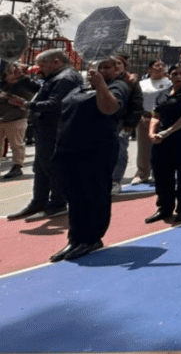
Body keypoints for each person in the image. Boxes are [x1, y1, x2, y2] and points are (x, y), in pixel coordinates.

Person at [49, 57, 131, 262]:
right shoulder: (79, 88)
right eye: (99, 66)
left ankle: (92, 238)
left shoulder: (117, 86)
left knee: (94, 193)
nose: (102, 70)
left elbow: (109, 108)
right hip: (70, 149)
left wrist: (101, 84)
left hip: (97, 150)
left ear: (117, 70)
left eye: (107, 67)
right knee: (74, 195)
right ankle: (75, 238)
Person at [7, 49, 82, 221]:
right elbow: (42, 91)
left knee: (52, 167)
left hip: (55, 128)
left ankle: (57, 203)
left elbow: (55, 104)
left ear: (56, 62)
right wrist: (23, 79)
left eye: (43, 65)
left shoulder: (65, 78)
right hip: (46, 128)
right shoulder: (57, 76)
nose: (40, 69)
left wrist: (27, 105)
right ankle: (39, 202)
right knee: (41, 167)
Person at [145, 63, 181, 224]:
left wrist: (169, 131)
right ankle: (164, 207)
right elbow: (156, 115)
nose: (178, 77)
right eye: (175, 74)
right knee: (162, 174)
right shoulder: (162, 94)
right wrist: (151, 133)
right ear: (169, 76)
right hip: (162, 141)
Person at [131, 60, 171, 186]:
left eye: (162, 65)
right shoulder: (142, 83)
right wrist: (140, 115)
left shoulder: (169, 83)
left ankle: (159, 173)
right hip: (145, 117)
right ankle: (142, 173)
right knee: (143, 148)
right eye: (157, 65)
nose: (160, 67)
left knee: (162, 146)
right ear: (149, 70)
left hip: (162, 118)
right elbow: (137, 100)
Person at [110, 54, 144, 196]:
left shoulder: (131, 81)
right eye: (112, 64)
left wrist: (130, 123)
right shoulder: (103, 79)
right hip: (104, 121)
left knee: (120, 151)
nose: (116, 66)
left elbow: (137, 103)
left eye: (119, 63)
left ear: (124, 66)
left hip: (122, 122)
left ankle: (115, 181)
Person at [0, 63, 41, 180]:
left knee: (16, 145)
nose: (9, 75)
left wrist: (23, 78)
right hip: (2, 118)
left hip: (16, 118)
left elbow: (34, 93)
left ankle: (17, 166)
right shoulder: (2, 84)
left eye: (12, 72)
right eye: (7, 72)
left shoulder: (24, 84)